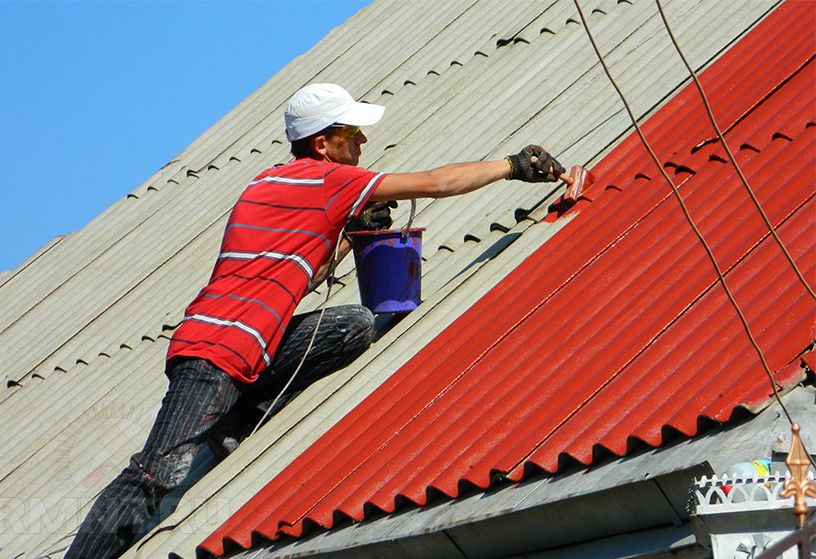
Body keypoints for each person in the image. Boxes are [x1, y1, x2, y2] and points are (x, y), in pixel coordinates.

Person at [64, 83, 564, 559]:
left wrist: (349, 239)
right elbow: (435, 183)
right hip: (216, 353)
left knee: (352, 325)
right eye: (352, 134)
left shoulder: (268, 182)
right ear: (323, 144)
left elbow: (297, 279)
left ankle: (237, 414)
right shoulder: (330, 180)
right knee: (156, 475)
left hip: (248, 346)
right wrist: (512, 166)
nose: (363, 142)